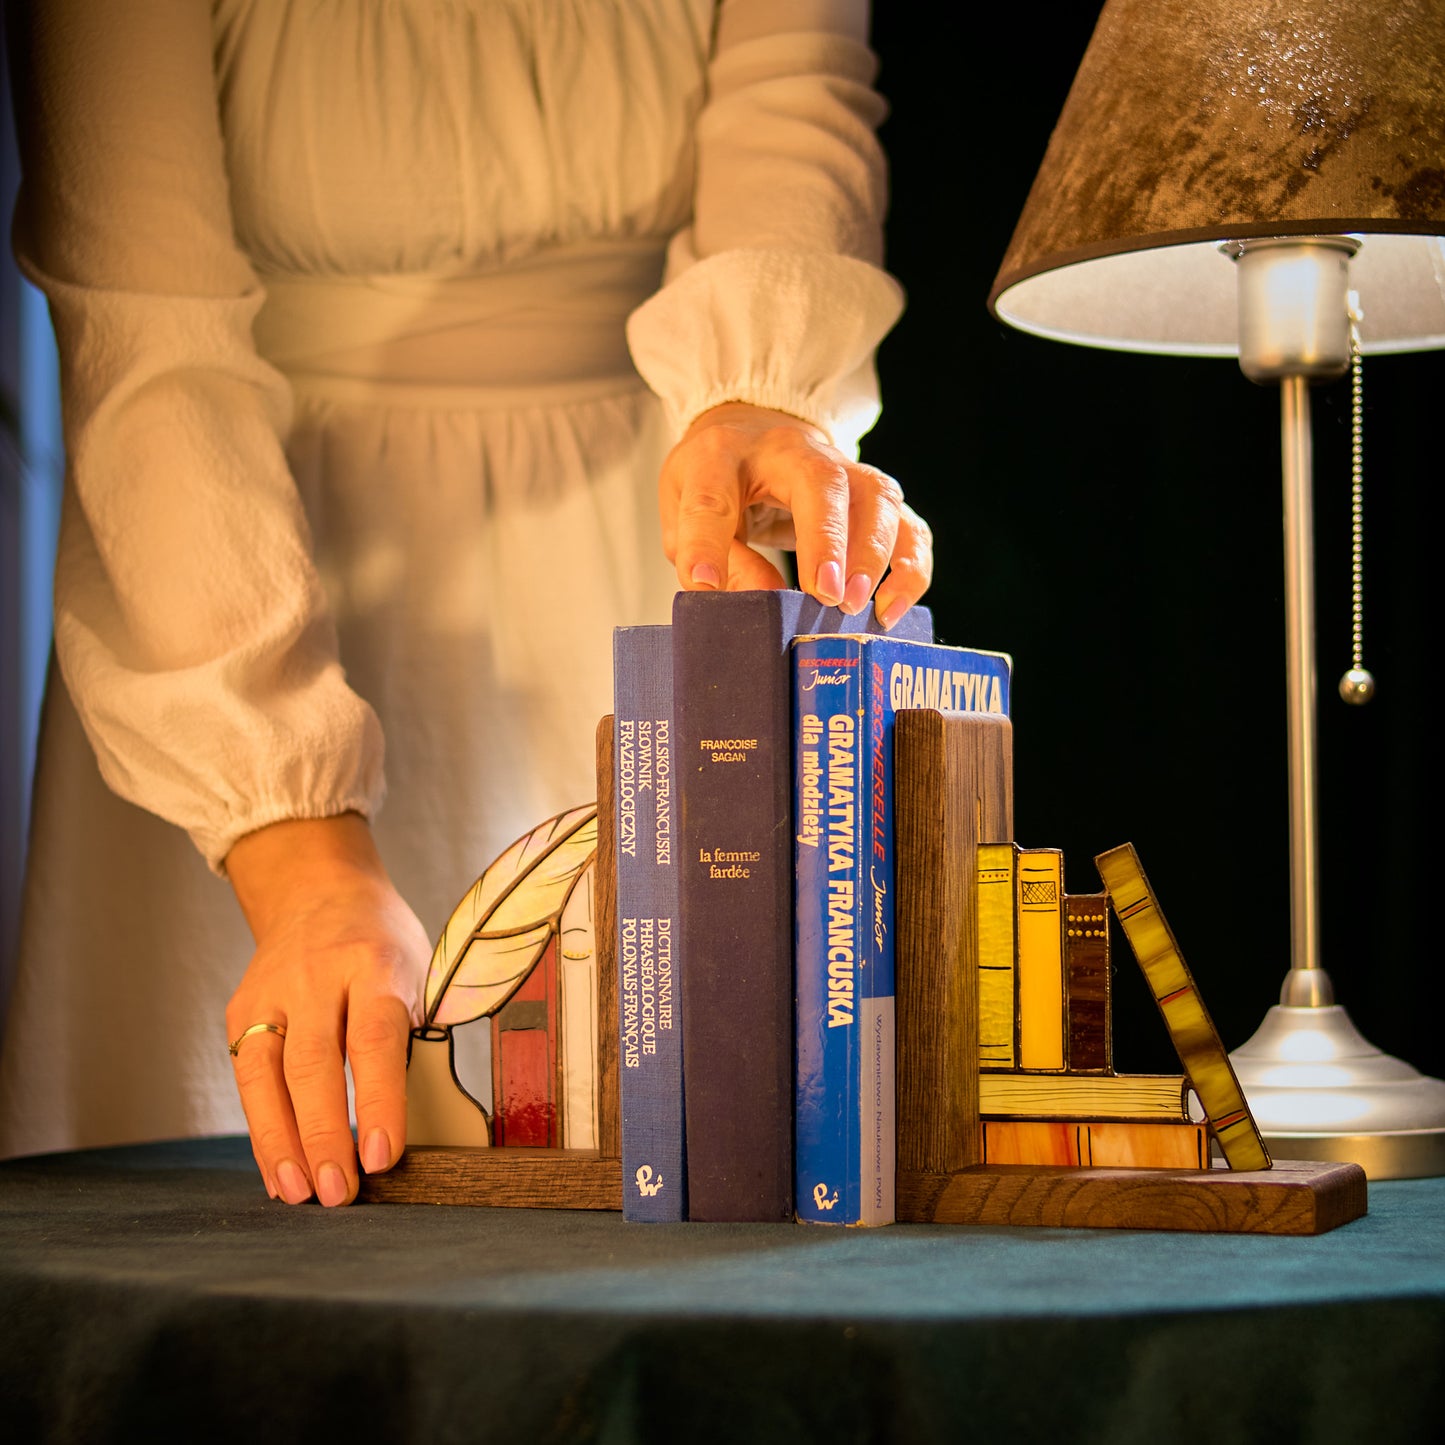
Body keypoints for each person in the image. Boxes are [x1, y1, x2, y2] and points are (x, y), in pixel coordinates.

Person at [0, 0, 932, 1205]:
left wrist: (763, 396)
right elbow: (146, 337)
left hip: (636, 535)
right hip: (222, 565)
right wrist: (294, 843)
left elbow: (795, 120)